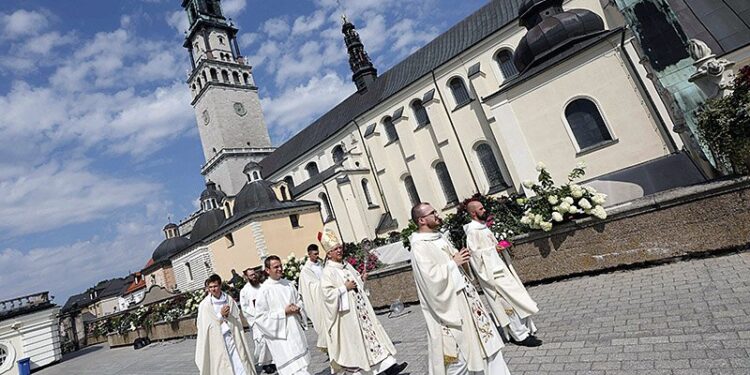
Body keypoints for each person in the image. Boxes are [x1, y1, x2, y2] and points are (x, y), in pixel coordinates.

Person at [409, 202, 511, 375]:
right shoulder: (419, 246)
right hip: (453, 303)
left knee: (488, 343)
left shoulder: (439, 237)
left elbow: (455, 260)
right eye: (432, 213)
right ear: (421, 220)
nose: (437, 214)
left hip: (468, 298)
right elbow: (430, 279)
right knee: (463, 353)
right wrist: (453, 263)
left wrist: (462, 260)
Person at [319, 229, 408, 375]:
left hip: (362, 313)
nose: (339, 251)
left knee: (374, 339)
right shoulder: (328, 272)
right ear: (328, 253)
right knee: (360, 346)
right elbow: (327, 296)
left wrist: (361, 279)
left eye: (340, 247)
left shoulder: (346, 265)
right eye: (335, 249)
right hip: (348, 318)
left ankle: (390, 367)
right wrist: (343, 288)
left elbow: (356, 284)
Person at [464, 200, 541, 347]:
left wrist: (498, 247)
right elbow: (475, 256)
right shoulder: (473, 231)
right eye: (481, 209)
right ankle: (519, 336)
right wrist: (494, 250)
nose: (484, 210)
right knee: (507, 304)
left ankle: (524, 329)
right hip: (492, 275)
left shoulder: (482, 227)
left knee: (517, 299)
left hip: (499, 269)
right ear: (473, 213)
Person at [254, 255, 312, 375]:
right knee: (294, 371)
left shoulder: (288, 284)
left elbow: (299, 300)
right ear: (267, 270)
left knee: (303, 368)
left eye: (280, 266)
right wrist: (283, 312)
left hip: (295, 332)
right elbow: (260, 318)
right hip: (281, 339)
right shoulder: (264, 291)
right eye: (276, 267)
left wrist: (298, 308)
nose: (280, 269)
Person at [195, 274, 256, 375]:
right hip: (217, 339)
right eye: (210, 287)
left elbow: (236, 318)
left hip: (232, 336)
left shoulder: (229, 300)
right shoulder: (205, 305)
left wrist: (229, 317)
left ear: (220, 286)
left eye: (215, 286)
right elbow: (204, 325)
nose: (213, 289)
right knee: (222, 365)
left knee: (238, 359)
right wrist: (220, 315)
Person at [240, 268, 276, 374]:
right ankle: (265, 364)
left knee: (270, 339)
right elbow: (245, 308)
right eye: (251, 275)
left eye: (254, 274)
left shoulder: (262, 286)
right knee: (261, 342)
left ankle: (273, 362)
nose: (254, 276)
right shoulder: (244, 291)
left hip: (267, 318)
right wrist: (256, 314)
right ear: (246, 277)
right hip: (256, 320)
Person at [298, 243, 328, 351]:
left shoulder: (321, 264)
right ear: (309, 254)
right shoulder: (306, 270)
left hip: (327, 296)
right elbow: (309, 287)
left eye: (318, 253)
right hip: (317, 300)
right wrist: (322, 285)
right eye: (314, 254)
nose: (317, 255)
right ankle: (327, 346)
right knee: (323, 324)